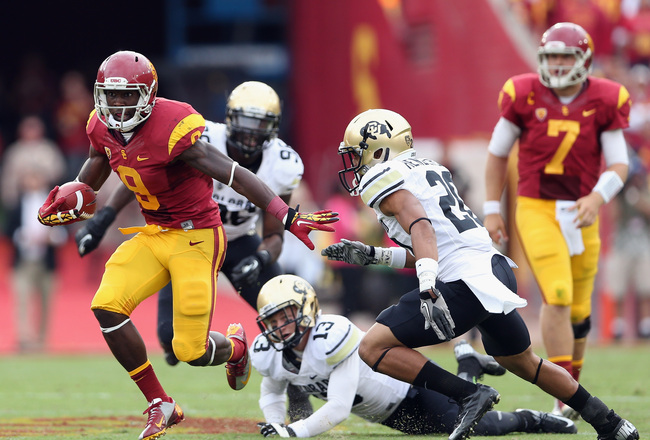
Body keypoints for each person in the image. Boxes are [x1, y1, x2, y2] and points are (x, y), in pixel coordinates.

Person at [36, 51, 338, 440]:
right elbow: (101, 159)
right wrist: (76, 195)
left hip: (197, 237)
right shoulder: (100, 125)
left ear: (147, 94)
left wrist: (285, 214)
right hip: (154, 233)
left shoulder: (174, 127)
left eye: (128, 96)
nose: (118, 104)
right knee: (106, 306)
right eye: (111, 95)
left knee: (190, 350)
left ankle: (236, 348)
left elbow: (236, 175)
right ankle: (160, 403)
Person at [321, 108, 638, 440]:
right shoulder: (428, 167)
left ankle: (469, 394)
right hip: (494, 270)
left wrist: (428, 287)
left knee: (372, 347)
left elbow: (421, 227)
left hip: (465, 283)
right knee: (526, 363)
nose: (354, 163)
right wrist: (376, 255)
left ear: (380, 149)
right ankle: (612, 424)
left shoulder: (382, 177)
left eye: (357, 153)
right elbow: (437, 245)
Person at [73, 80, 313, 419]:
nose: (249, 134)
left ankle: (299, 395)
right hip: (180, 239)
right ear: (229, 118)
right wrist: (102, 219)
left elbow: (273, 234)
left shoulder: (283, 163)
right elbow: (141, 172)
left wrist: (261, 257)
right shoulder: (201, 137)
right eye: (244, 122)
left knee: (281, 315)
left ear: (273, 128)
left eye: (259, 125)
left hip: (240, 242)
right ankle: (234, 350)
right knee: (174, 346)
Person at [482, 22, 630, 417]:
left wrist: (598, 197)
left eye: (566, 56)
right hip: (536, 207)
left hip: (583, 210)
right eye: (552, 57)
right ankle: (563, 395)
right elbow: (497, 153)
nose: (559, 65)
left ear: (585, 59)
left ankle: (571, 387)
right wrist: (492, 208)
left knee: (580, 313)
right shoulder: (524, 93)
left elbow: (619, 162)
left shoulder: (606, 97)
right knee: (559, 294)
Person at [252, 274, 578, 438]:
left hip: (410, 388)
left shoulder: (330, 337)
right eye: (274, 320)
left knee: (479, 426)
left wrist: (293, 432)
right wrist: (275, 424)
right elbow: (272, 389)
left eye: (286, 315)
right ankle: (468, 363)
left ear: (307, 308)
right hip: (389, 413)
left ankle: (531, 418)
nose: (280, 327)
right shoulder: (271, 352)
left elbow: (338, 407)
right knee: (456, 416)